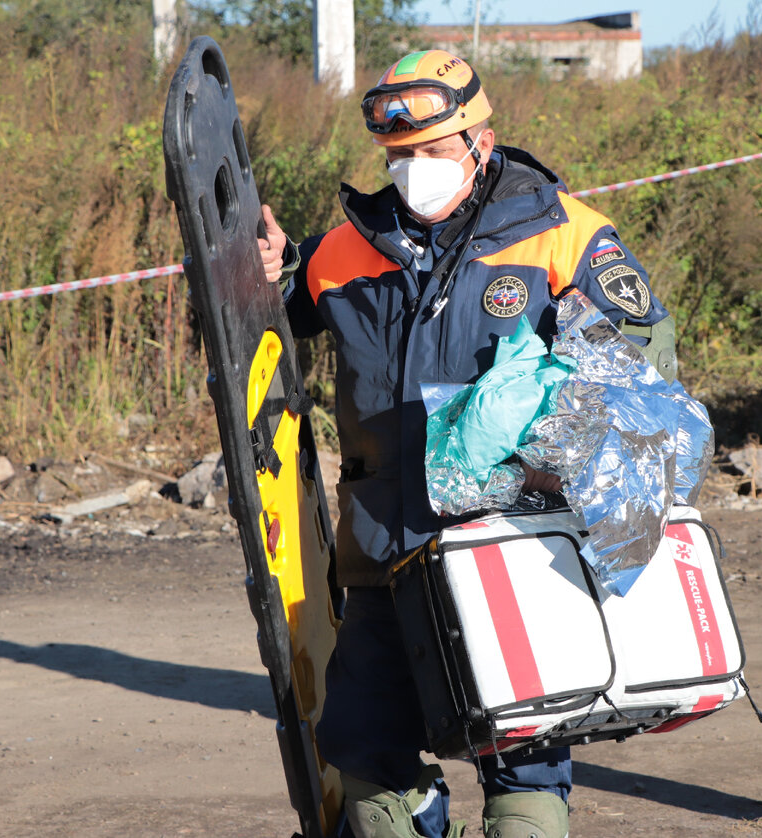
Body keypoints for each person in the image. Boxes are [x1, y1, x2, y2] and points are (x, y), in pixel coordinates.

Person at [257, 49, 676, 838]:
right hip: (384, 554)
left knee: (524, 773)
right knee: (370, 773)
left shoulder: (565, 235)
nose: (414, 169)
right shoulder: (345, 249)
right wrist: (263, 274)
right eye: (399, 155)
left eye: (433, 151)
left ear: (480, 140)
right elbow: (264, 323)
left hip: (515, 552)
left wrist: (553, 446)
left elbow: (645, 379)